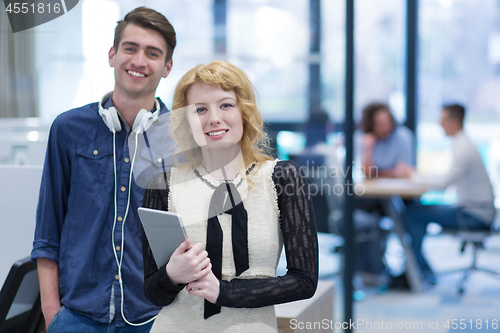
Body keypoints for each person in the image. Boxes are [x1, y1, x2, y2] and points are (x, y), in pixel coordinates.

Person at [141, 60, 318, 332]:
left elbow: (304, 281)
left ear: (244, 112)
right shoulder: (163, 184)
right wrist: (171, 276)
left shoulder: (282, 178)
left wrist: (224, 292)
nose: (213, 118)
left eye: (226, 105)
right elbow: (153, 292)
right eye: (200, 109)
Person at [31, 7, 176, 332]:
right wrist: (52, 311)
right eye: (130, 48)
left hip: (153, 318)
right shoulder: (68, 129)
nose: (139, 61)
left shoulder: (180, 138)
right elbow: (48, 230)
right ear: (112, 54)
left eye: (152, 53)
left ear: (167, 67)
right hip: (76, 317)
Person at [396, 104, 496, 282]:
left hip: (474, 214)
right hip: (473, 208)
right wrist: (418, 176)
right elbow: (445, 177)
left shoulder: (463, 147)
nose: (439, 124)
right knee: (416, 210)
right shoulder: (462, 143)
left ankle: (416, 271)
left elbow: (442, 184)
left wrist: (414, 176)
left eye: (442, 120)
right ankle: (419, 268)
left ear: (454, 121)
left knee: (413, 215)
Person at [358, 102, 414, 178]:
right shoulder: (367, 139)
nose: (385, 127)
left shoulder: (403, 136)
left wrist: (377, 173)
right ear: (371, 125)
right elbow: (367, 174)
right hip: (373, 188)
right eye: (380, 124)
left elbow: (403, 171)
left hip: (397, 186)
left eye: (387, 122)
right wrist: (368, 149)